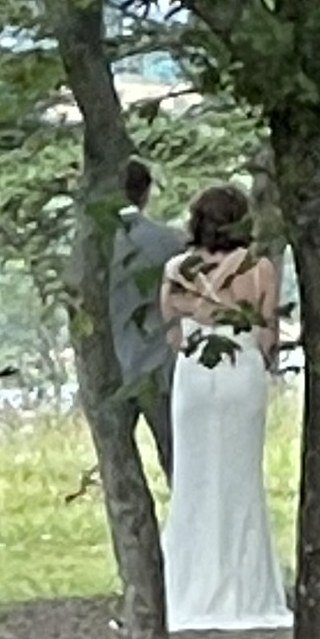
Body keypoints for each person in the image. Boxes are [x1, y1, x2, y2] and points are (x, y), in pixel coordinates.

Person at [159, 183, 293, 634]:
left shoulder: (177, 269)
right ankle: (245, 589)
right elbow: (268, 333)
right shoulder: (259, 268)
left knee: (193, 479)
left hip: (195, 372)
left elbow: (171, 332)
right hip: (241, 369)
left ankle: (187, 588)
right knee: (241, 479)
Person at [107, 156, 181, 480]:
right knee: (174, 457)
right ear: (146, 192)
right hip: (159, 364)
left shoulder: (93, 249)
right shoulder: (172, 243)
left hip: (109, 364)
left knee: (114, 462)